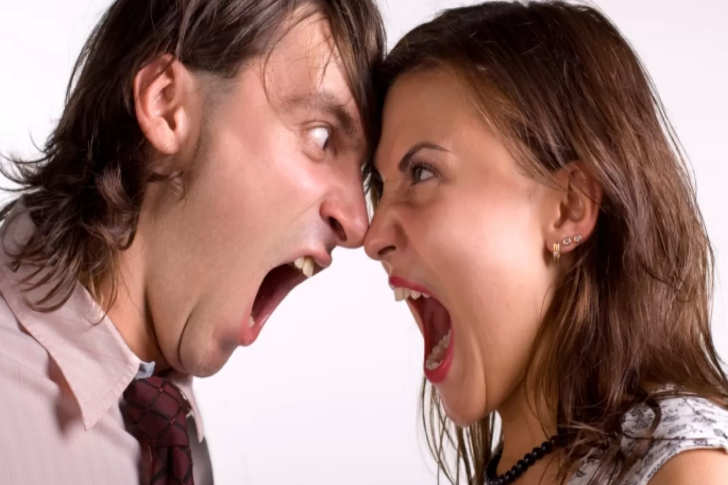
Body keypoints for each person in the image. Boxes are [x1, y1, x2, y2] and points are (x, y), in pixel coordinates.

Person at [0, 1, 384, 484]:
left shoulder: (167, 429)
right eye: (323, 137)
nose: (359, 224)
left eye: (361, 173)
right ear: (167, 106)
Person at [363, 1, 728, 484]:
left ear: (568, 208)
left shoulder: (688, 471)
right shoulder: (512, 466)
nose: (373, 237)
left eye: (422, 172)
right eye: (380, 185)